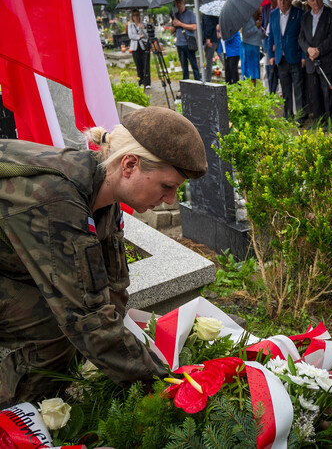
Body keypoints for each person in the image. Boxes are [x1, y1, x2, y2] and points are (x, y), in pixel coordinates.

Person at [0, 106, 207, 406]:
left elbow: (113, 287)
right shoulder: (59, 200)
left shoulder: (101, 191)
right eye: (167, 186)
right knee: (54, 328)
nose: (170, 200)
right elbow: (86, 317)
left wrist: (124, 351)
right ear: (130, 165)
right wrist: (167, 385)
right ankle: (17, 413)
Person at [299, 0, 332, 129]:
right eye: (312, 0)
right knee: (314, 93)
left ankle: (329, 122)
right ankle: (318, 121)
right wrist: (309, 50)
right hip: (311, 62)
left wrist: (319, 50)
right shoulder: (305, 17)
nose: (316, 2)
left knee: (328, 93)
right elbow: (301, 38)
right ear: (308, 2)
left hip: (327, 60)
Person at [266, 0, 305, 122]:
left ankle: (300, 116)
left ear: (290, 0)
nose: (283, 2)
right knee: (285, 88)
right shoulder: (273, 14)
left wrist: (304, 56)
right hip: (280, 58)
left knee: (298, 89)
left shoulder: (299, 14)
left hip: (295, 56)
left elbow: (303, 37)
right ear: (277, 0)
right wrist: (270, 55)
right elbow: (271, 37)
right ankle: (287, 114)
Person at [167, 0, 201, 81]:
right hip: (179, 43)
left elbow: (194, 27)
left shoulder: (190, 14)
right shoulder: (176, 15)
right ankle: (185, 83)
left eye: (180, 2)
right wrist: (174, 26)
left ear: (184, 3)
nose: (179, 4)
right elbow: (172, 30)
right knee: (184, 66)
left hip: (188, 42)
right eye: (177, 3)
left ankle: (198, 81)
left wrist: (180, 24)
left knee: (194, 64)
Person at [127, 9, 151, 88]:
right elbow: (131, 36)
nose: (136, 17)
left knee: (146, 65)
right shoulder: (131, 25)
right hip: (135, 47)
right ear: (132, 17)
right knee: (139, 65)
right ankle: (141, 82)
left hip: (143, 47)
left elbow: (147, 35)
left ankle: (147, 82)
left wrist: (142, 29)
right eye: (134, 15)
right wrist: (139, 37)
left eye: (137, 15)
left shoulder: (143, 24)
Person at [240, 8, 263, 87]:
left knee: (254, 74)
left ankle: (253, 91)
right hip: (249, 47)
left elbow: (259, 34)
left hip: (255, 47)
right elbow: (245, 34)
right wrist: (255, 27)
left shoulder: (255, 19)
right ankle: (250, 92)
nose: (262, 8)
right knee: (250, 73)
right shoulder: (248, 19)